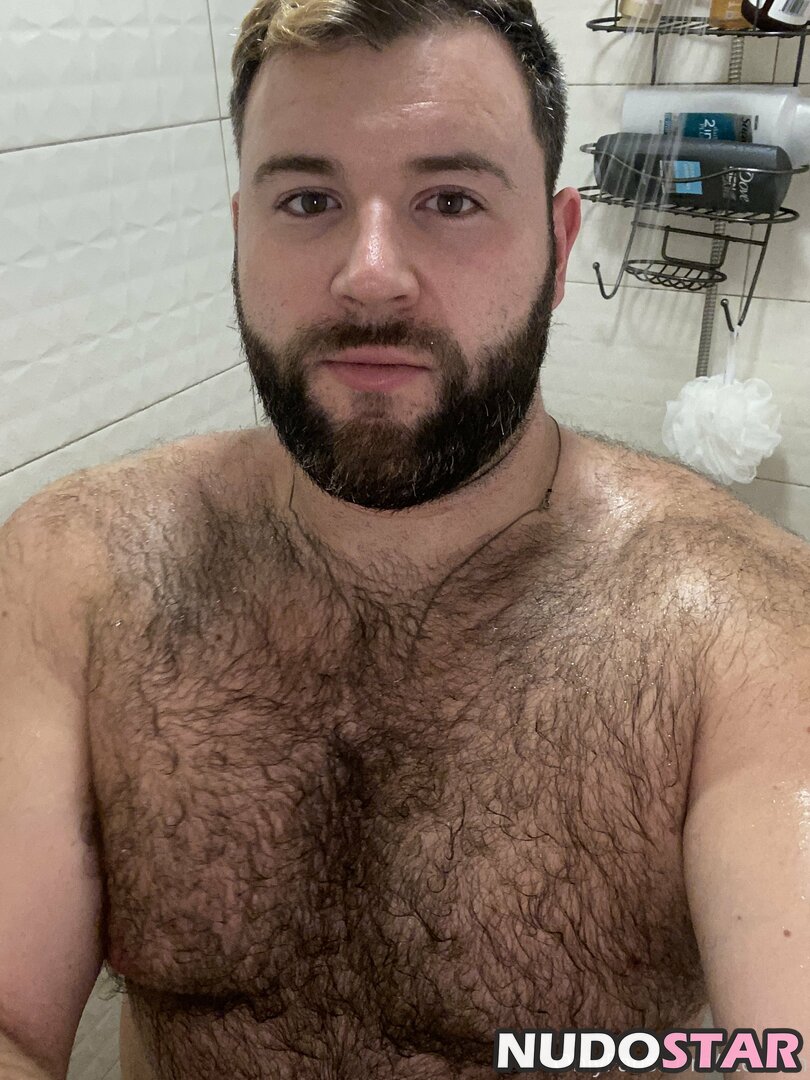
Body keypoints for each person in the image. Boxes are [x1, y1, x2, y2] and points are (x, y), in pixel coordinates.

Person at [0, 1, 808, 1077]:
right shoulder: (77, 571)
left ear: (560, 246)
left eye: (451, 200)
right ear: (240, 234)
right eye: (309, 200)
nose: (370, 271)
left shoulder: (744, 631)